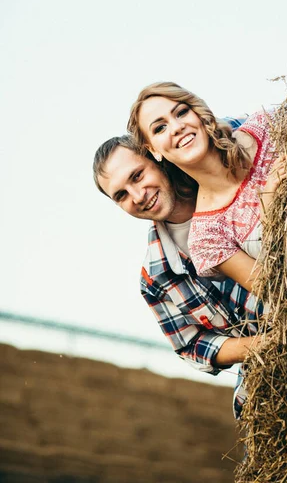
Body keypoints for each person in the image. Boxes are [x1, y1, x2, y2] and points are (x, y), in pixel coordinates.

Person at [93, 127, 265, 419]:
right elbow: (191, 345)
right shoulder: (156, 278)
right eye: (121, 195)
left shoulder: (233, 184)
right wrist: (264, 345)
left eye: (137, 176)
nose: (138, 195)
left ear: (156, 159)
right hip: (272, 379)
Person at [128, 82, 287, 292]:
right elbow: (278, 293)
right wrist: (269, 208)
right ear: (153, 149)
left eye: (181, 112)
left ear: (197, 113)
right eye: (160, 128)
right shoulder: (207, 237)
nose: (177, 127)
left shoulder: (266, 125)